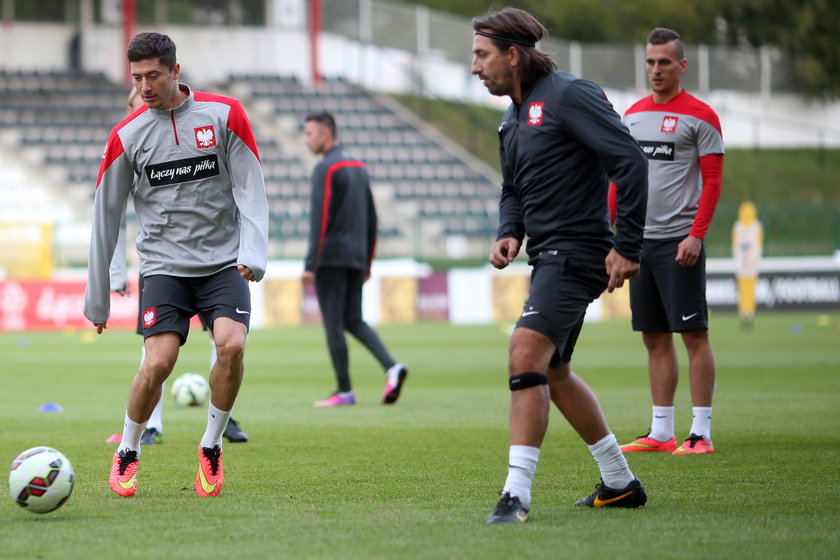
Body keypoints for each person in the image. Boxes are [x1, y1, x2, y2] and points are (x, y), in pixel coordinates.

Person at [470, 8, 649, 524]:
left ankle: (516, 496)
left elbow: (630, 162)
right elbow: (512, 190)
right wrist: (509, 232)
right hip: (546, 256)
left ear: (511, 54)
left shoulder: (570, 95)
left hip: (576, 255)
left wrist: (629, 245)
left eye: (482, 56)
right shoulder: (510, 120)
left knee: (524, 349)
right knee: (554, 369)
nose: (475, 67)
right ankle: (619, 482)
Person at [84, 32, 268, 498]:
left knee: (231, 346)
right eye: (136, 77)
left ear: (175, 71)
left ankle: (211, 443)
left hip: (223, 263)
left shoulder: (225, 115)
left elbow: (250, 186)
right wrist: (100, 295)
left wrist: (253, 252)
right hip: (164, 266)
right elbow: (106, 215)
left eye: (153, 75)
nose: (144, 86)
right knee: (159, 362)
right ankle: (128, 448)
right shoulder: (126, 135)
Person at [109, 89, 249, 446]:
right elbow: (115, 211)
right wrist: (116, 268)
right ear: (131, 109)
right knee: (156, 353)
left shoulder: (190, 129)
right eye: (138, 99)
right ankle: (150, 425)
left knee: (226, 342)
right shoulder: (132, 140)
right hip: (162, 262)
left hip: (213, 260)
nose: (148, 101)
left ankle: (224, 423)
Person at [613, 28, 724, 456]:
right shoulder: (633, 115)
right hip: (640, 242)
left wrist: (697, 234)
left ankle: (701, 433)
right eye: (650, 62)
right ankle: (662, 432)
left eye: (664, 62)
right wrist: (615, 238)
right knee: (654, 337)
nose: (656, 69)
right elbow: (620, 181)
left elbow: (712, 181)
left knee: (693, 335)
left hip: (680, 242)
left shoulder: (702, 115)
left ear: (682, 65)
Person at [301, 111, 407, 407]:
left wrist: (311, 264)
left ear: (325, 133)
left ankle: (344, 391)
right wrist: (368, 261)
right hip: (356, 257)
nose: (306, 140)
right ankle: (392, 367)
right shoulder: (359, 167)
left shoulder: (326, 168)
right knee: (353, 320)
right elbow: (373, 218)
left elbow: (319, 220)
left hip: (330, 259)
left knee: (334, 324)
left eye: (309, 134)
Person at [732, 201, 763, 330]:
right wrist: (739, 260)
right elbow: (735, 245)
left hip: (752, 264)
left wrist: (753, 260)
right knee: (742, 288)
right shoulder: (738, 226)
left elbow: (758, 245)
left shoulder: (756, 226)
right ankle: (743, 311)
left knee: (750, 287)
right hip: (741, 263)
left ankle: (750, 311)